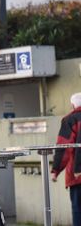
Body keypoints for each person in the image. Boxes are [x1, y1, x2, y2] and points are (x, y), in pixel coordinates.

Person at [51, 92, 81, 226]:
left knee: (78, 210)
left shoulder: (71, 120)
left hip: (77, 175)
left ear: (73, 105)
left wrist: (55, 169)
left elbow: (64, 147)